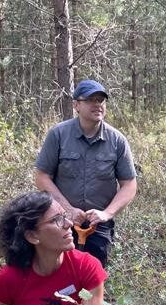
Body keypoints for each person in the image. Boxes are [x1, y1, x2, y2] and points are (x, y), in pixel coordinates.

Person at [34, 79, 137, 269]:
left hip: (98, 227)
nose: (97, 104)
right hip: (61, 223)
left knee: (93, 279)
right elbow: (42, 177)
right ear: (76, 105)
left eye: (101, 100)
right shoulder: (58, 135)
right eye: (91, 100)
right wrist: (67, 210)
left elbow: (129, 184)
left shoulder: (117, 141)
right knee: (59, 276)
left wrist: (106, 213)